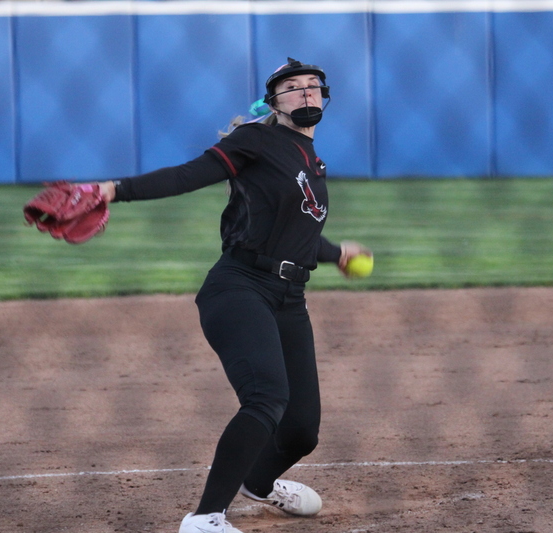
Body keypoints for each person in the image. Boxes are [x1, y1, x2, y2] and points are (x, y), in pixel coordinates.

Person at [96, 58, 371, 533]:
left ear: (325, 98)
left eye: (313, 87)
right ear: (273, 101)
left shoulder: (312, 160)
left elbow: (295, 232)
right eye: (292, 87)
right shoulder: (255, 141)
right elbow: (186, 176)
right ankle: (204, 518)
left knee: (302, 429)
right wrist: (111, 190)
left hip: (289, 297)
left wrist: (335, 253)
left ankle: (259, 484)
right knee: (266, 397)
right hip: (239, 287)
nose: (305, 93)